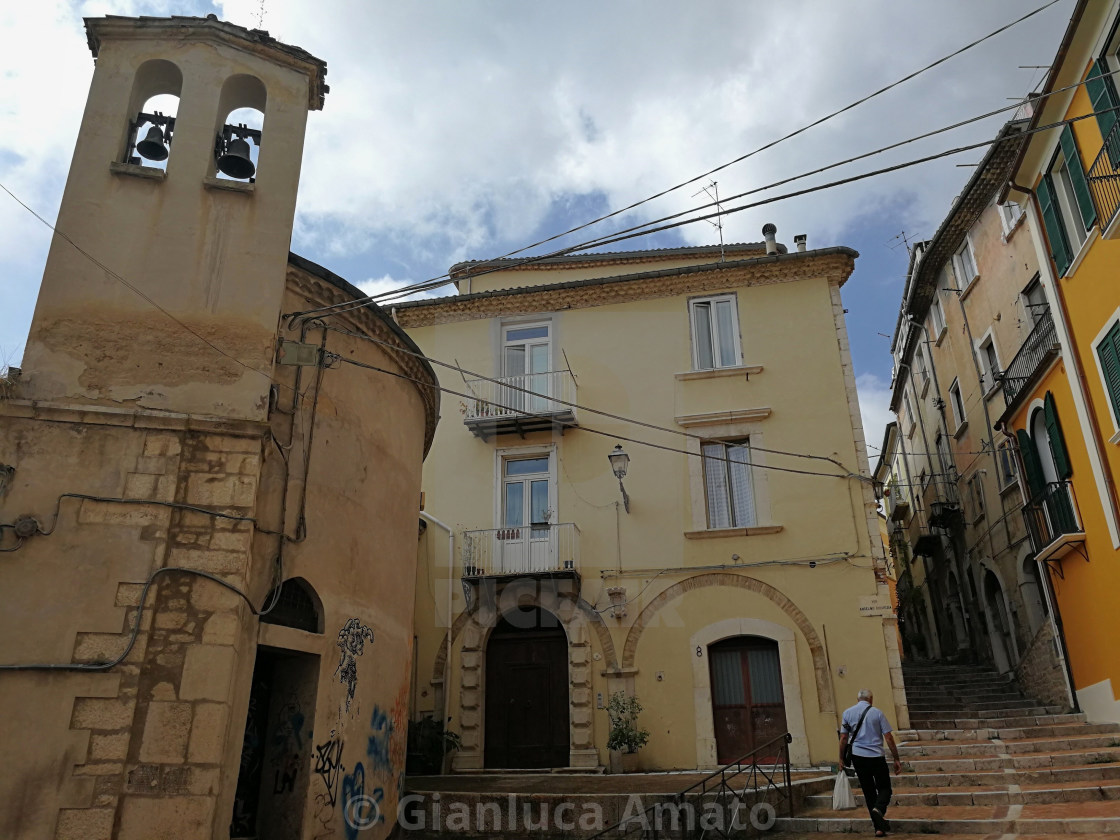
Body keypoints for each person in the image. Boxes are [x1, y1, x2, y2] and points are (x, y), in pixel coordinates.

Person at [838, 688, 902, 837]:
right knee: (885, 787)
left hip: (858, 757)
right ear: (871, 700)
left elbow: (843, 738)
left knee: (869, 791)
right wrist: (896, 758)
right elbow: (889, 737)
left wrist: (841, 758)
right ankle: (879, 809)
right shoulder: (877, 713)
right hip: (876, 757)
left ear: (857, 699)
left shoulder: (847, 713)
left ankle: (878, 828)